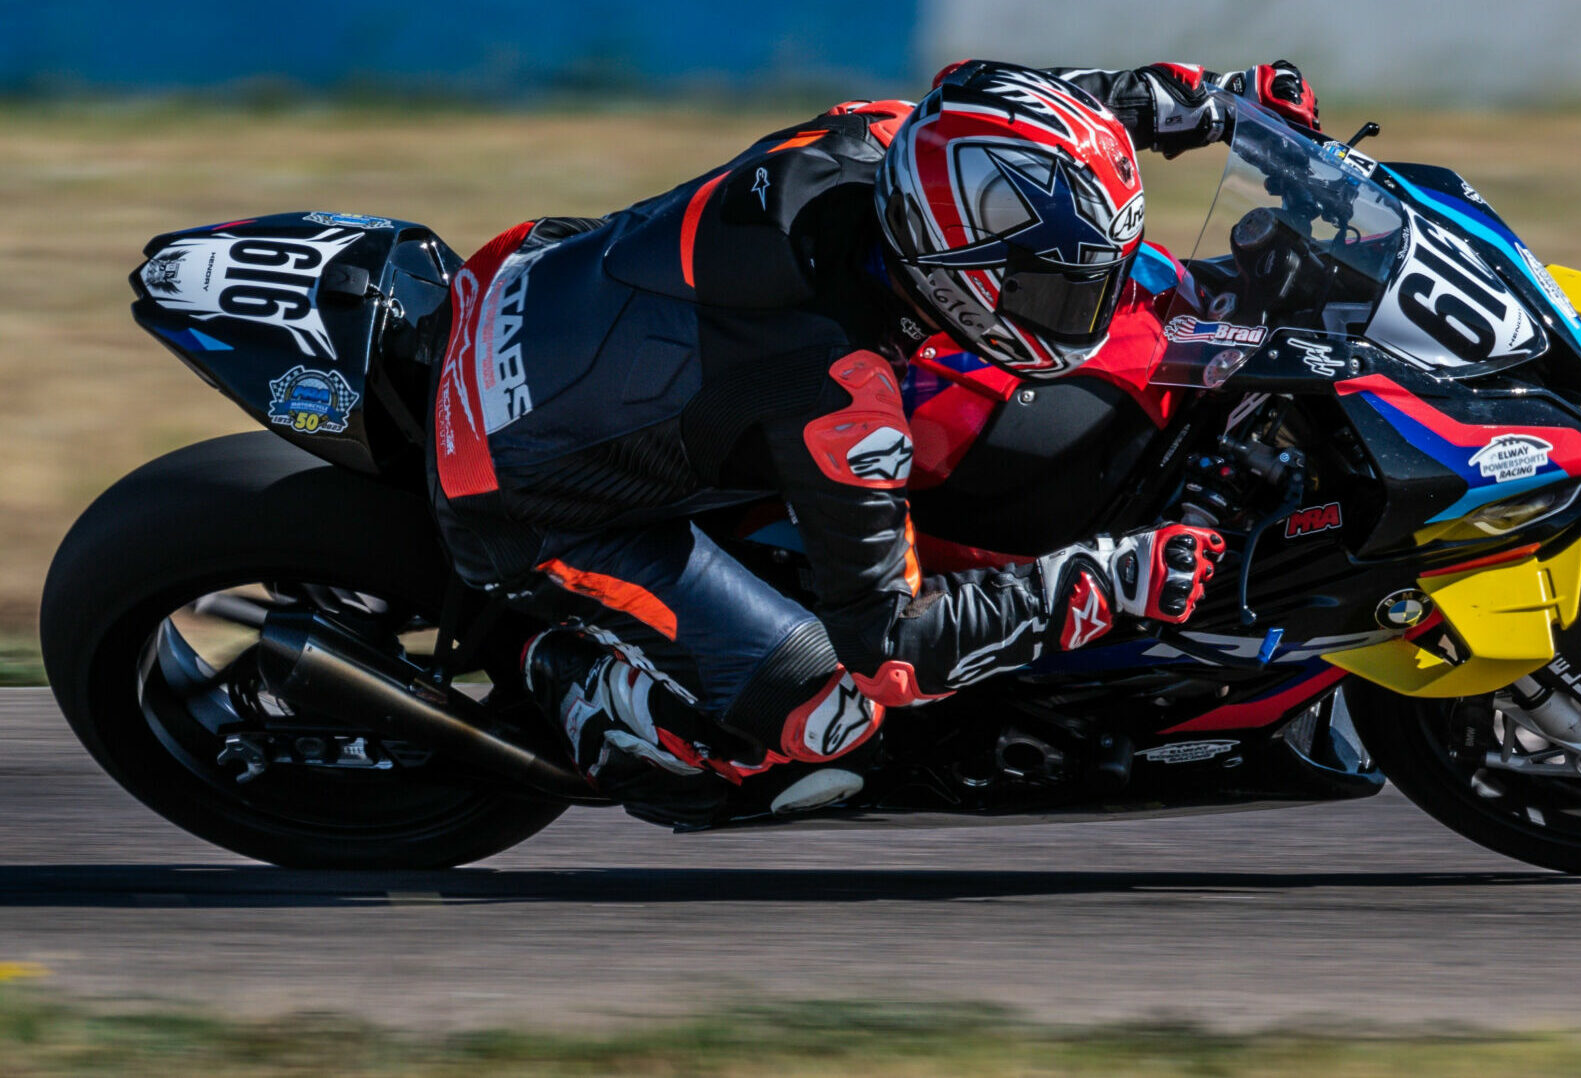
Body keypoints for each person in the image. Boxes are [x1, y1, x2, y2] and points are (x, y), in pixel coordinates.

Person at [427, 59, 1320, 821]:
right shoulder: (840, 388)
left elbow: (1022, 116)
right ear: (956, 270)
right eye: (1056, 290)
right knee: (829, 717)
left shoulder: (889, 141)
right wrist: (1109, 579)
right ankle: (579, 682)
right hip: (520, 490)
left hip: (533, 282)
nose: (1084, 311)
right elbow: (893, 649)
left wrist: (1214, 99)